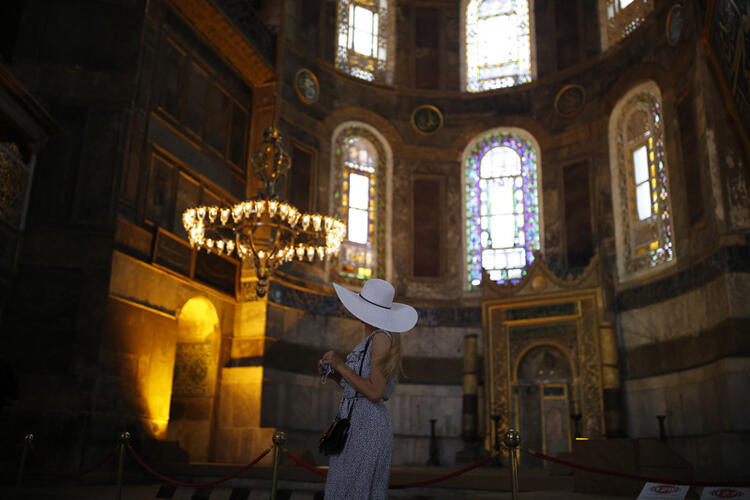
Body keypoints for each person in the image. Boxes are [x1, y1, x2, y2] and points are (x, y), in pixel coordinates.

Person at [318, 278, 418, 500]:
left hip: (367, 427)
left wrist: (340, 365)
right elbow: (359, 387)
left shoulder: (381, 337)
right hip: (356, 424)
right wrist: (334, 374)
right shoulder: (373, 337)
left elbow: (374, 392)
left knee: (355, 493)